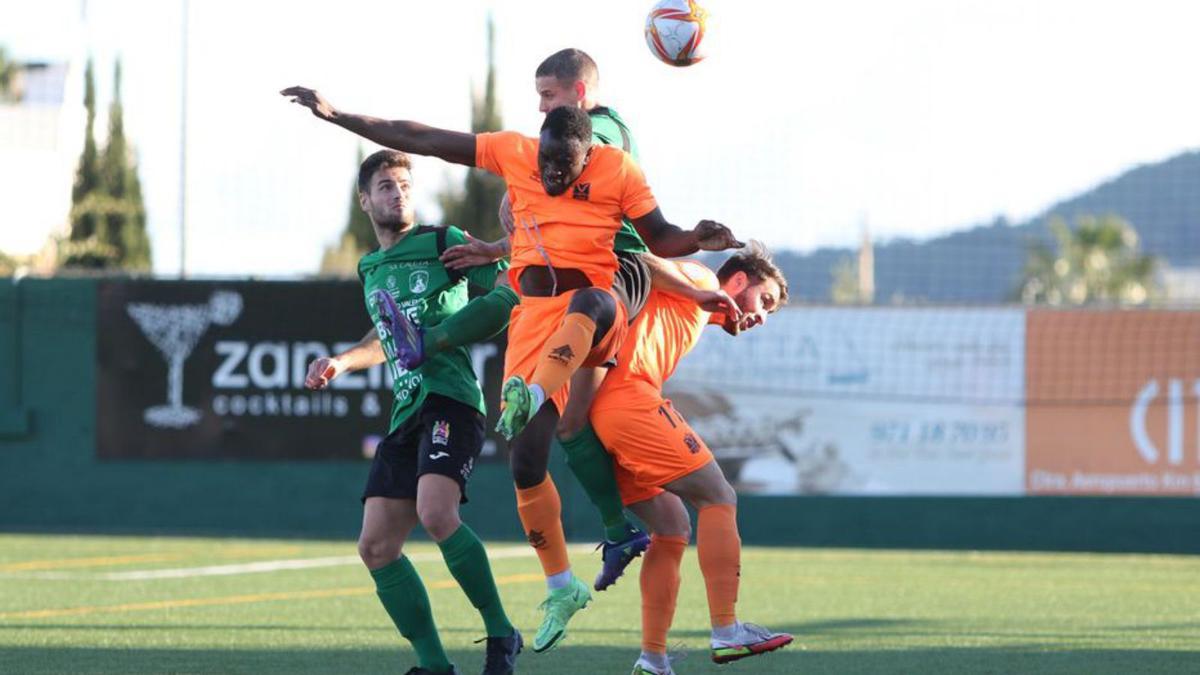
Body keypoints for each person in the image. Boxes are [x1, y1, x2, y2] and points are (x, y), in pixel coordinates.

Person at [281, 86, 744, 653]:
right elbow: (423, 137)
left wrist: (698, 240)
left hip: (584, 316)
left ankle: (589, 565)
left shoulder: (616, 169)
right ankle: (561, 585)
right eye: (544, 163)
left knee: (593, 308)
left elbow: (657, 240)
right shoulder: (512, 154)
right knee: (525, 462)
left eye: (563, 169)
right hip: (528, 330)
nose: (549, 176)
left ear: (587, 157)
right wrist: (339, 115)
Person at [433, 48, 740, 593]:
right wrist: (503, 244)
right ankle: (618, 540)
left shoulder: (602, 132)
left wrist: (523, 179)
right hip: (591, 272)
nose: (541, 109)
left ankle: (445, 348)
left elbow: (583, 174)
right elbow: (557, 211)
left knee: (576, 306)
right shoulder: (562, 146)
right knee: (570, 428)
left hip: (620, 270)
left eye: (548, 96)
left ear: (578, 94)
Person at [302, 149, 520, 675]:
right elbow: (384, 339)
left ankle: (500, 632)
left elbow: (510, 292)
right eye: (384, 186)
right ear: (364, 200)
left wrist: (449, 329)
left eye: (402, 185)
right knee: (375, 545)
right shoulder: (370, 267)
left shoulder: (445, 242)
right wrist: (341, 362)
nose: (396, 193)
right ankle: (434, 665)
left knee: (436, 513)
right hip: (407, 411)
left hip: (453, 399)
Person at [588, 243, 794, 674]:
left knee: (671, 526)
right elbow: (640, 259)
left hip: (600, 416)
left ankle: (653, 658)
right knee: (719, 495)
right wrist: (701, 291)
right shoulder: (700, 281)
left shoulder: (695, 312)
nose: (760, 317)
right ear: (738, 281)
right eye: (765, 301)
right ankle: (727, 630)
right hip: (629, 403)